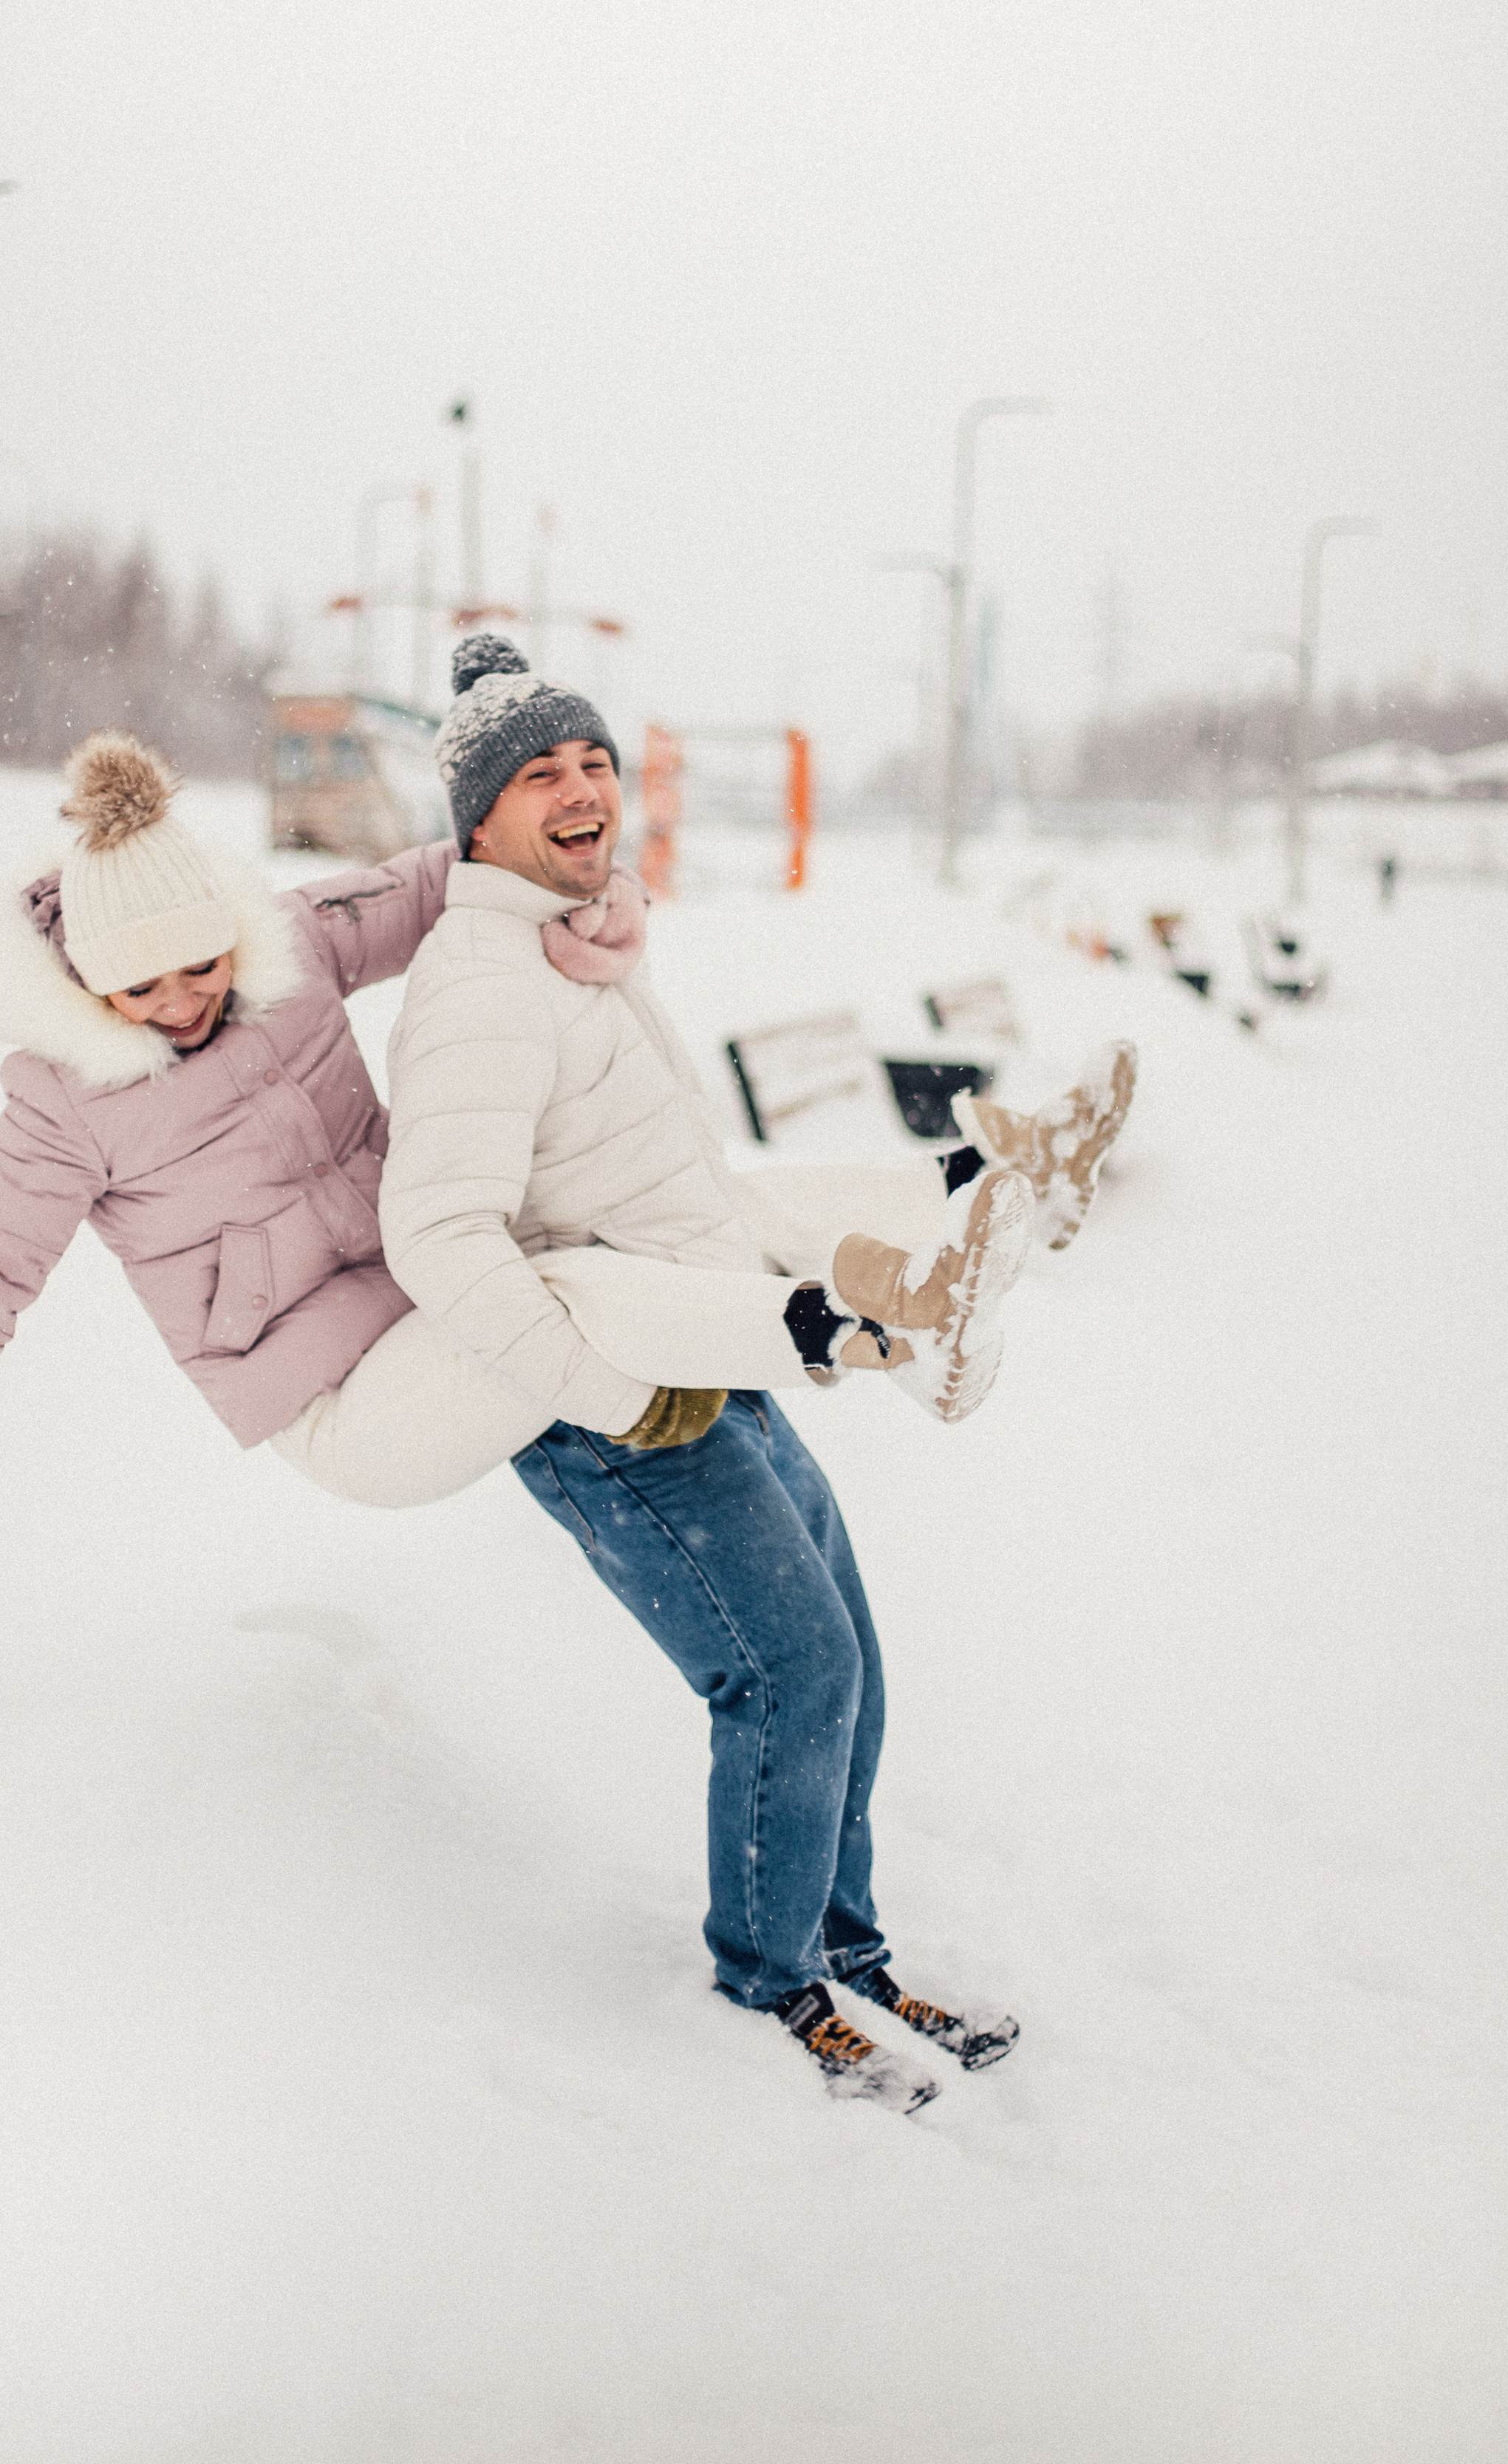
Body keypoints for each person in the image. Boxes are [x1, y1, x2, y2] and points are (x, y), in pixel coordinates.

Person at [0, 719, 1131, 1603]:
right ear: (91, 989)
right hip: (347, 1407)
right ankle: (879, 1334)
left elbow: (441, 874)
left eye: (202, 964)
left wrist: (595, 884)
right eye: (144, 991)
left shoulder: (279, 954)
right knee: (572, 1281)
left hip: (443, 1295)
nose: (186, 1001)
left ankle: (977, 1205)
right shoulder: (62, 1107)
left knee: (710, 1197)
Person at [376, 637, 1137, 2110]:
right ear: (476, 820)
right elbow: (441, 1240)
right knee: (790, 1678)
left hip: (702, 1359)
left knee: (841, 1657)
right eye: (540, 775)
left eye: (591, 759)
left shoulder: (578, 947)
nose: (582, 789)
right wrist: (600, 1396)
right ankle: (766, 1980)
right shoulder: (481, 984)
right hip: (613, 1403)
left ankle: (840, 1951)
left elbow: (664, 1181)